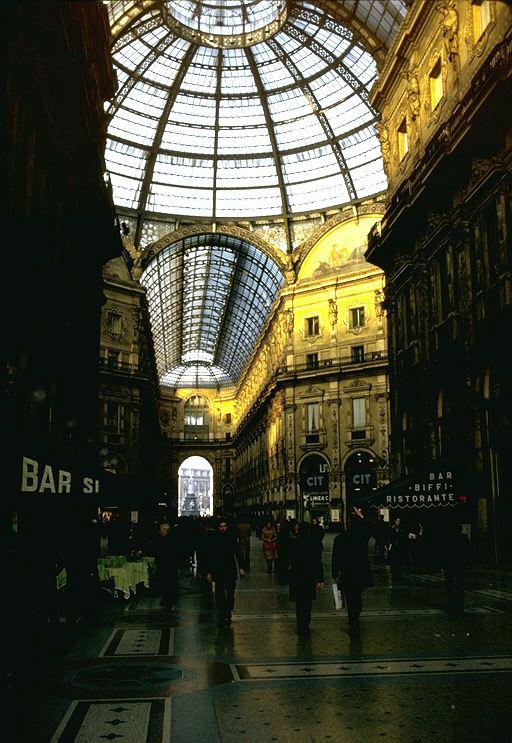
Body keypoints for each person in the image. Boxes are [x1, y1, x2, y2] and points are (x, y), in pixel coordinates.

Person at [332, 506, 373, 637]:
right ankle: (354, 621)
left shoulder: (339, 539)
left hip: (346, 574)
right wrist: (361, 516)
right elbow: (369, 529)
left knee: (350, 599)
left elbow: (335, 557)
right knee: (357, 599)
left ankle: (353, 622)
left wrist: (334, 573)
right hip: (359, 573)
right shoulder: (361, 537)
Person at [287, 522, 324, 637]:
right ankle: (306, 624)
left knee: (299, 603)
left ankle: (301, 626)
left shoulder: (294, 542)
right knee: (307, 603)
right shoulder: (313, 543)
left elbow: (289, 560)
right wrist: (320, 579)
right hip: (309, 576)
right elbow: (318, 562)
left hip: (297, 576)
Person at [207, 519, 245, 625]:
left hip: (230, 570)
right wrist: (209, 572)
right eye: (221, 526)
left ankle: (228, 609)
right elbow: (211, 556)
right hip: (219, 571)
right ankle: (222, 612)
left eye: (224, 526)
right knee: (219, 593)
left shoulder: (231, 538)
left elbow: (238, 553)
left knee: (230, 593)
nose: (223, 528)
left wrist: (241, 567)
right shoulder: (214, 539)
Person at [441, 522, 470, 615]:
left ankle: (452, 604)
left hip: (450, 565)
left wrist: (443, 565)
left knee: (449, 585)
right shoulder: (464, 538)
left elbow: (444, 553)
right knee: (460, 585)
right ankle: (460, 606)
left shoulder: (447, 538)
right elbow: (467, 551)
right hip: (460, 565)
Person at [152, 522, 179, 609]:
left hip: (169, 565)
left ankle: (168, 600)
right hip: (163, 564)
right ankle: (165, 598)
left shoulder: (171, 539)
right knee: (163, 582)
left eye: (162, 530)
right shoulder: (161, 538)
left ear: (165, 530)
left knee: (169, 583)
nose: (161, 532)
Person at [386, 516, 408, 582]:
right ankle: (394, 574)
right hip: (393, 547)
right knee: (393, 561)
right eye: (397, 521)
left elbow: (404, 537)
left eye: (399, 521)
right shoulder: (392, 528)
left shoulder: (402, 529)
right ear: (395, 521)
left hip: (400, 547)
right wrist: (388, 547)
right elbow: (389, 538)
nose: (398, 522)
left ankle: (399, 574)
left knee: (399, 561)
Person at [275, 521, 289, 585]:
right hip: (284, 553)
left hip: (282, 553)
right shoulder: (286, 534)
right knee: (283, 567)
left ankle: (281, 580)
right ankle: (284, 580)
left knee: (281, 567)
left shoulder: (281, 534)